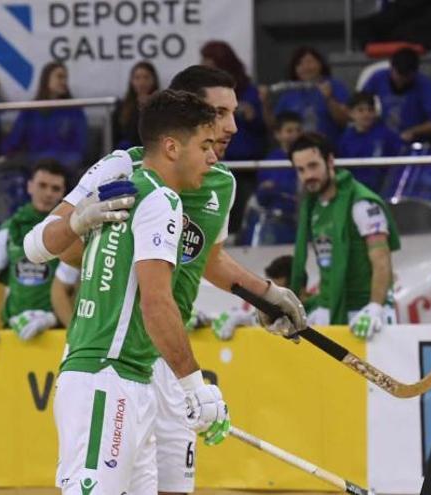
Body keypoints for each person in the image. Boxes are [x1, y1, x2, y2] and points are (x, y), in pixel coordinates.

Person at [24, 65, 307, 495]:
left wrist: (266, 295)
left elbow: (208, 259)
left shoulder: (221, 184)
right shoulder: (126, 168)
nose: (229, 127)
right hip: (117, 350)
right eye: (217, 115)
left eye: (233, 113)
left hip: (160, 353)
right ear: (184, 123)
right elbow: (44, 247)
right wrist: (81, 219)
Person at [54, 89, 231, 494]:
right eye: (204, 145)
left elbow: (66, 250)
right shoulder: (160, 198)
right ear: (172, 147)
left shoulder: (127, 189)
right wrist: (194, 387)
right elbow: (157, 302)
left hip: (126, 377)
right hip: (107, 376)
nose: (212, 157)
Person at [0, 159, 77, 362]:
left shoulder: (72, 233)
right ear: (29, 186)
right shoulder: (9, 230)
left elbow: (77, 285)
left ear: (64, 194)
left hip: (56, 334)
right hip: (13, 333)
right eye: (42, 185)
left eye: (55, 188)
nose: (48, 193)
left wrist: (57, 319)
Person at [289, 132, 401, 340]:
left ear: (330, 161)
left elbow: (381, 260)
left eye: (313, 166)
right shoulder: (312, 206)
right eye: (301, 170)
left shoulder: (362, 203)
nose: (307, 175)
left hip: (365, 313)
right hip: (330, 311)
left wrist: (375, 307)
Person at [201, 41, 267, 235]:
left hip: (244, 166)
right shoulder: (203, 93)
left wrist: (253, 115)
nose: (204, 64)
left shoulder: (249, 91)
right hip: (213, 160)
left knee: (239, 216)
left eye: (209, 60)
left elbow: (263, 128)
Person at [0, 62, 88, 173]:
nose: (64, 82)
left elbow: (81, 145)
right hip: (34, 163)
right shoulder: (31, 109)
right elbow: (15, 139)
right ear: (46, 79)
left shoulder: (74, 110)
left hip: (65, 163)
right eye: (60, 77)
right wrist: (4, 155)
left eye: (66, 78)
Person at [261, 47, 350, 143]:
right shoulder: (290, 92)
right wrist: (265, 103)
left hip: (330, 148)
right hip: (297, 149)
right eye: (299, 64)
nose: (305, 67)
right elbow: (274, 126)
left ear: (320, 64)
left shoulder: (335, 85)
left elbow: (344, 121)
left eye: (309, 62)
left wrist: (329, 99)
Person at [361, 47, 431, 142]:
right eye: (398, 75)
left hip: (414, 141)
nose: (400, 82)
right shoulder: (377, 78)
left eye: (405, 78)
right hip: (383, 138)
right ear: (391, 67)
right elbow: (359, 102)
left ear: (414, 73)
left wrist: (413, 131)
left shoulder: (425, 85)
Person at [211, 255, 304, 340]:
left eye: (280, 295)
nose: (272, 302)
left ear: (301, 290)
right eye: (273, 293)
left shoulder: (316, 315)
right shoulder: (259, 316)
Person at [337, 91, 404, 191]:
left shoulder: (387, 135)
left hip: (382, 191)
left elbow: (400, 161)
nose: (366, 114)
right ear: (350, 113)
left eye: (370, 110)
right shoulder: (345, 139)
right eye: (361, 110)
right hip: (355, 192)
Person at [256, 111, 301, 214]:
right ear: (277, 134)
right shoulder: (269, 163)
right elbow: (261, 199)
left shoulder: (308, 159)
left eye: (298, 130)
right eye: (289, 131)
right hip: (276, 219)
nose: (295, 134)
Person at [113, 61, 159, 150]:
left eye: (146, 77)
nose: (142, 82)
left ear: (154, 80)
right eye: (137, 78)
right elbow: (116, 135)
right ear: (132, 81)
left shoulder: (162, 105)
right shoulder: (122, 107)